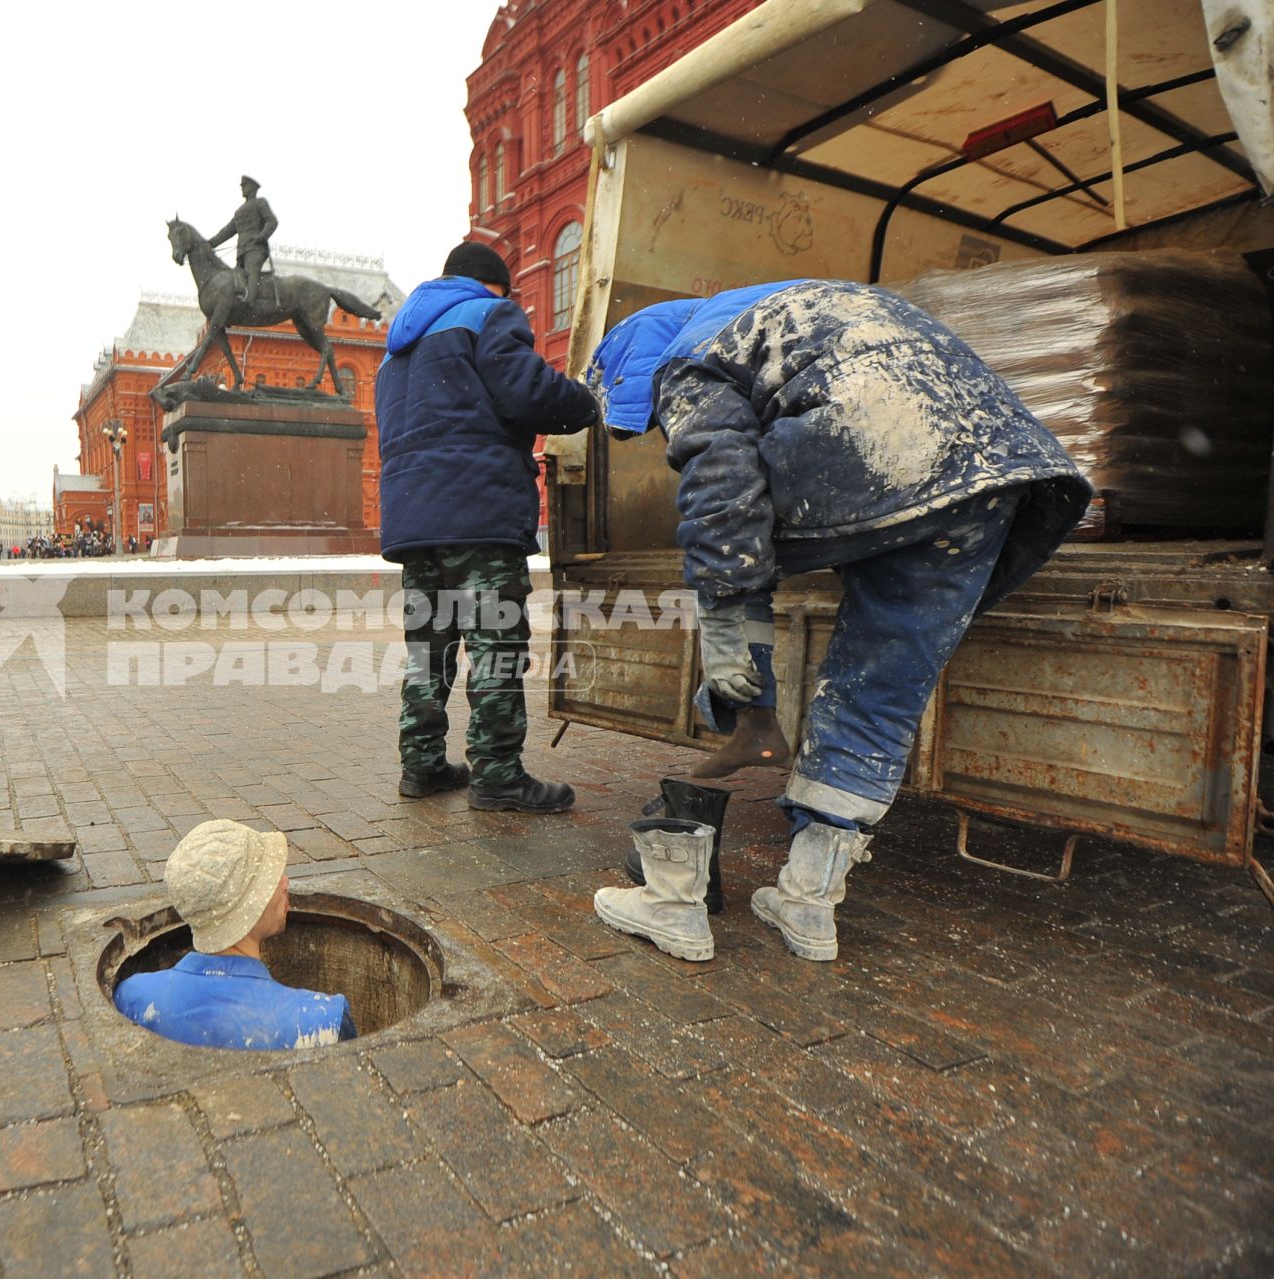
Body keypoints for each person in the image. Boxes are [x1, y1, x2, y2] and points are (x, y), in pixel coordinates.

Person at [588, 280, 1090, 964]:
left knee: (720, 535)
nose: (654, 428)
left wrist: (731, 649)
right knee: (880, 686)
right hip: (996, 472)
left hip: (874, 441)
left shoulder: (686, 354)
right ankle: (808, 902)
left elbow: (724, 497)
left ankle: (687, 862)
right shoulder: (807, 307)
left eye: (644, 415)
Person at [375, 241, 599, 814]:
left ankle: (421, 766)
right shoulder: (487, 314)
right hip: (477, 513)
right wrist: (586, 400)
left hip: (415, 521)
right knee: (496, 645)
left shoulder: (396, 347)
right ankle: (497, 775)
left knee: (429, 649)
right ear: (493, 285)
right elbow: (528, 391)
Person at [113, 820, 355, 1050]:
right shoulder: (323, 1021)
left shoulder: (132, 995)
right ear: (249, 908)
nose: (284, 882)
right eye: (268, 879)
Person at [208, 175, 279, 304]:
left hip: (256, 248)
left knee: (251, 270)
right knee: (238, 276)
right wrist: (210, 243)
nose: (242, 188)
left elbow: (272, 221)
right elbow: (227, 231)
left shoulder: (260, 203)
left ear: (252, 188)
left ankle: (250, 301)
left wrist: (262, 236)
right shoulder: (239, 211)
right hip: (242, 251)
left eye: (244, 186)